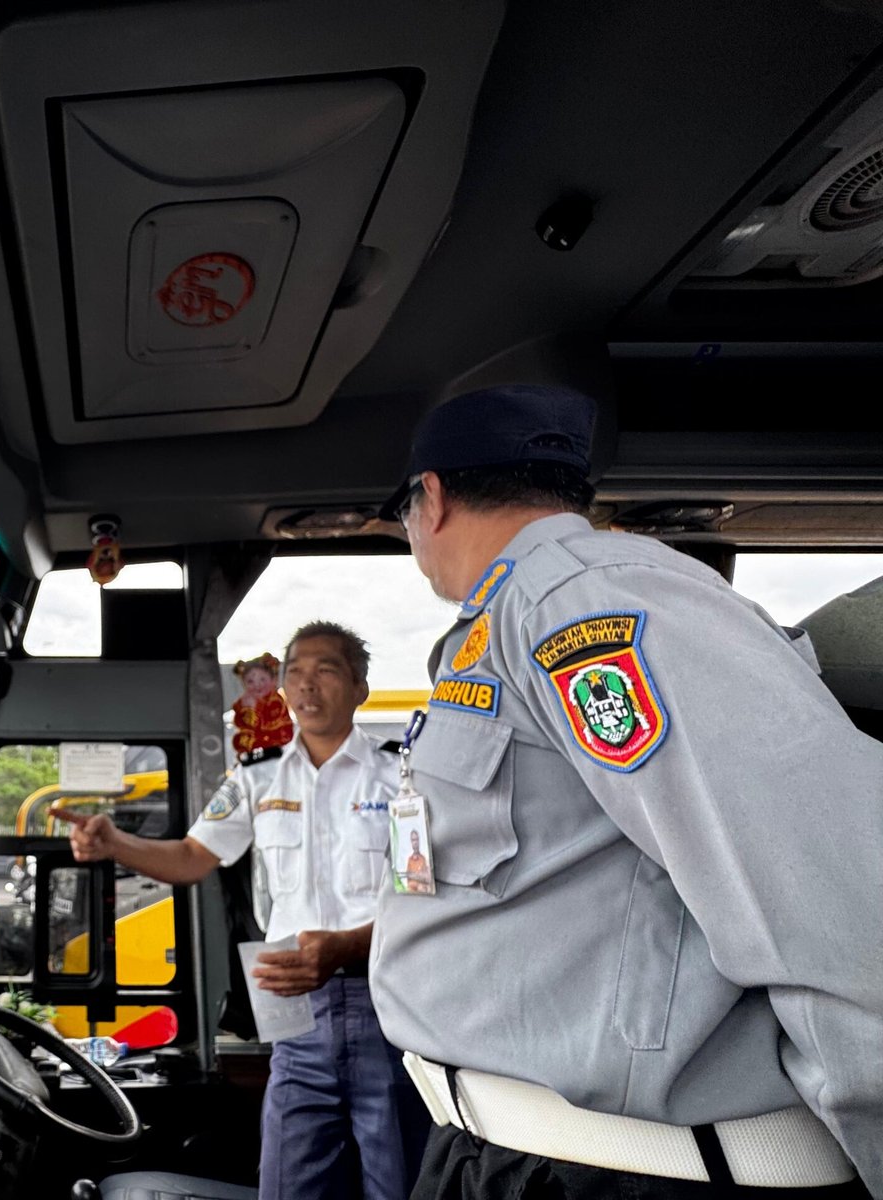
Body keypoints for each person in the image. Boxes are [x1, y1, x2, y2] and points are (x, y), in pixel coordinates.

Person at [371, 383, 881, 1198]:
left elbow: (834, 890)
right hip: (521, 1154)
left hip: (612, 1171)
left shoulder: (584, 601)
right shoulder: (510, 618)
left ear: (429, 499)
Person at [64, 623, 424, 1200]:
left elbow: (422, 890)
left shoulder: (401, 775)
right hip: (292, 1011)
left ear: (359, 687)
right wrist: (116, 844)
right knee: (286, 1184)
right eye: (295, 672)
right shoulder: (256, 778)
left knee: (397, 1183)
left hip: (385, 1001)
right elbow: (190, 856)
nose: (307, 684)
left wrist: (347, 947)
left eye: (326, 669)